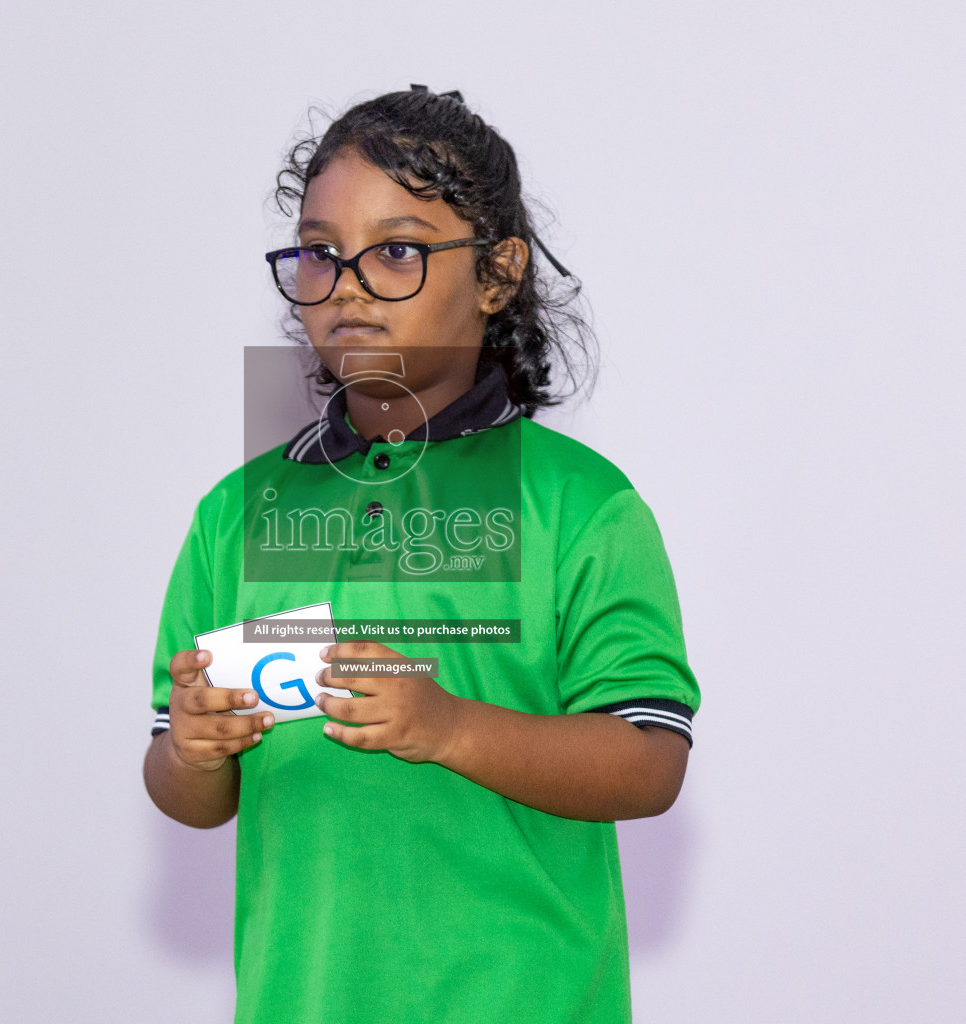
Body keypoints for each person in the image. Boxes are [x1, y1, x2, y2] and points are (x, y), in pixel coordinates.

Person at [142, 85, 700, 1024]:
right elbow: (187, 788)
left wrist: (448, 728)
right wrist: (196, 751)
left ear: (496, 273)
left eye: (396, 250)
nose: (348, 284)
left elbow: (649, 762)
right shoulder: (237, 515)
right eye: (321, 253)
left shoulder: (580, 505)